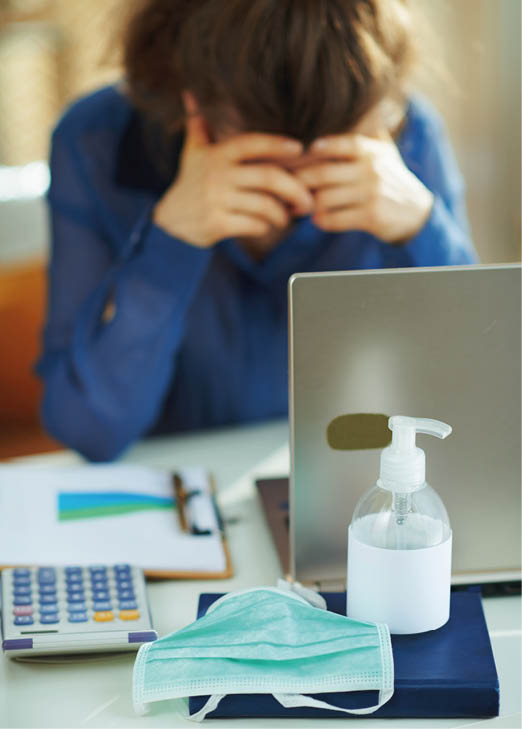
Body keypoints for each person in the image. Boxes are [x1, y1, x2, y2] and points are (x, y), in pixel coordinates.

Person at [36, 0, 477, 462]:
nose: (295, 198)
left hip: (349, 483)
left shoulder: (411, 134)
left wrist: (423, 231)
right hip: (171, 493)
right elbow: (87, 428)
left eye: (329, 159)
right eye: (264, 161)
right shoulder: (95, 143)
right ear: (193, 104)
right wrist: (169, 244)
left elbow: (481, 391)